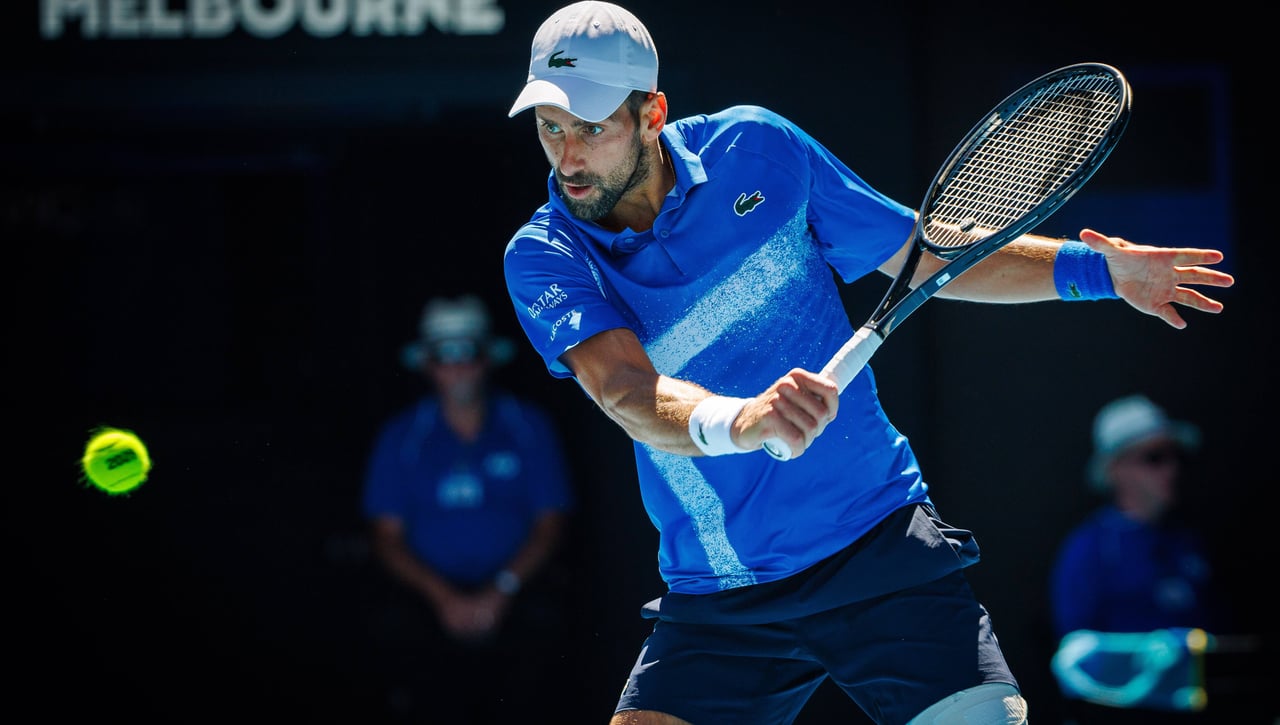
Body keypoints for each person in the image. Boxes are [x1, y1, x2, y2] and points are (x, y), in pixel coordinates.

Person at [500, 3, 1236, 723]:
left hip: (878, 546)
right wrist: (746, 419)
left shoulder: (759, 150)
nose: (568, 157)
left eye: (591, 129)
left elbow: (928, 254)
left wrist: (1102, 271)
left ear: (652, 114)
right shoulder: (545, 255)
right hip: (723, 593)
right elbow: (627, 390)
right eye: (551, 128)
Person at [359, 294, 577, 723]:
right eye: (444, 353)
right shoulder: (401, 436)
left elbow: (551, 523)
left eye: (469, 351)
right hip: (429, 601)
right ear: (427, 364)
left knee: (547, 642)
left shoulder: (528, 425)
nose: (457, 364)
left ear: (487, 359)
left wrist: (501, 590)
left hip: (514, 596)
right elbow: (385, 538)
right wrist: (444, 599)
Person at [1047, 394, 1237, 722]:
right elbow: (1075, 656)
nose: (1171, 469)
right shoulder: (1089, 548)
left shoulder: (1190, 541)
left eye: (1174, 456)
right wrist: (1148, 659)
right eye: (1154, 457)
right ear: (1115, 468)